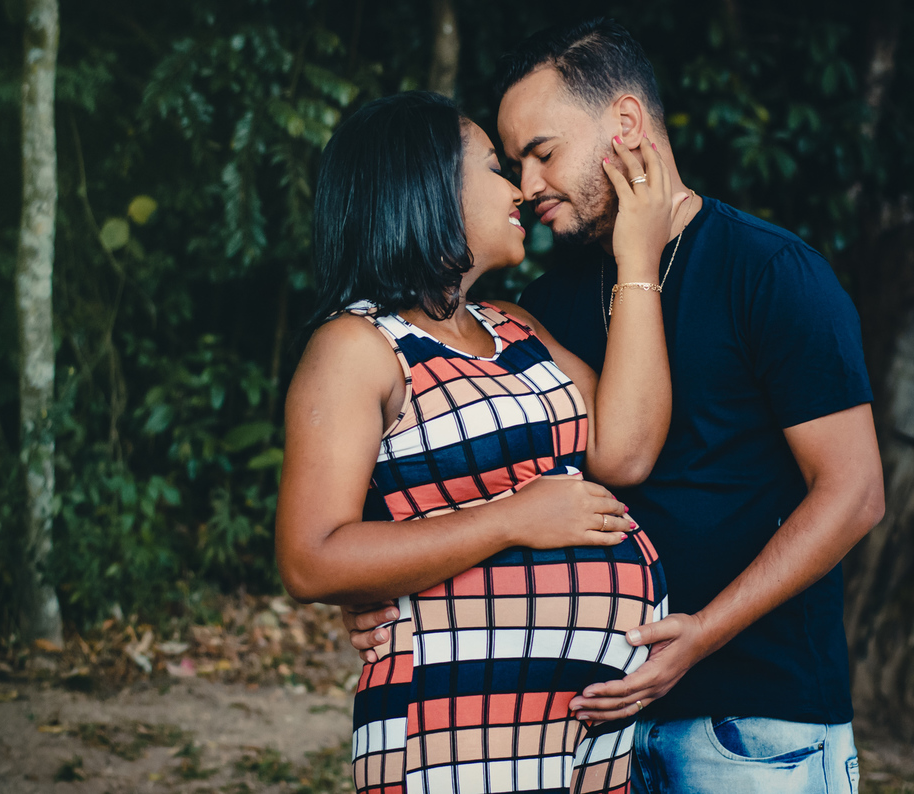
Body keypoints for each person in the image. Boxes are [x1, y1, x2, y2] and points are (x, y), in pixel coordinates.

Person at [342, 18, 886, 794]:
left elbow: (855, 493)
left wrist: (701, 636)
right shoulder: (541, 303)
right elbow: (494, 481)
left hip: (753, 722)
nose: (528, 188)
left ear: (626, 127)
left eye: (543, 153)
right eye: (515, 164)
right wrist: (376, 589)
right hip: (589, 728)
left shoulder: (771, 273)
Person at [276, 89, 687, 794]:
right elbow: (311, 559)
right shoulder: (359, 347)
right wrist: (513, 521)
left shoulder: (514, 327)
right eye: (497, 168)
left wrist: (637, 261)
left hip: (586, 726)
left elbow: (627, 450)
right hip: (456, 718)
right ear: (427, 189)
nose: (522, 190)